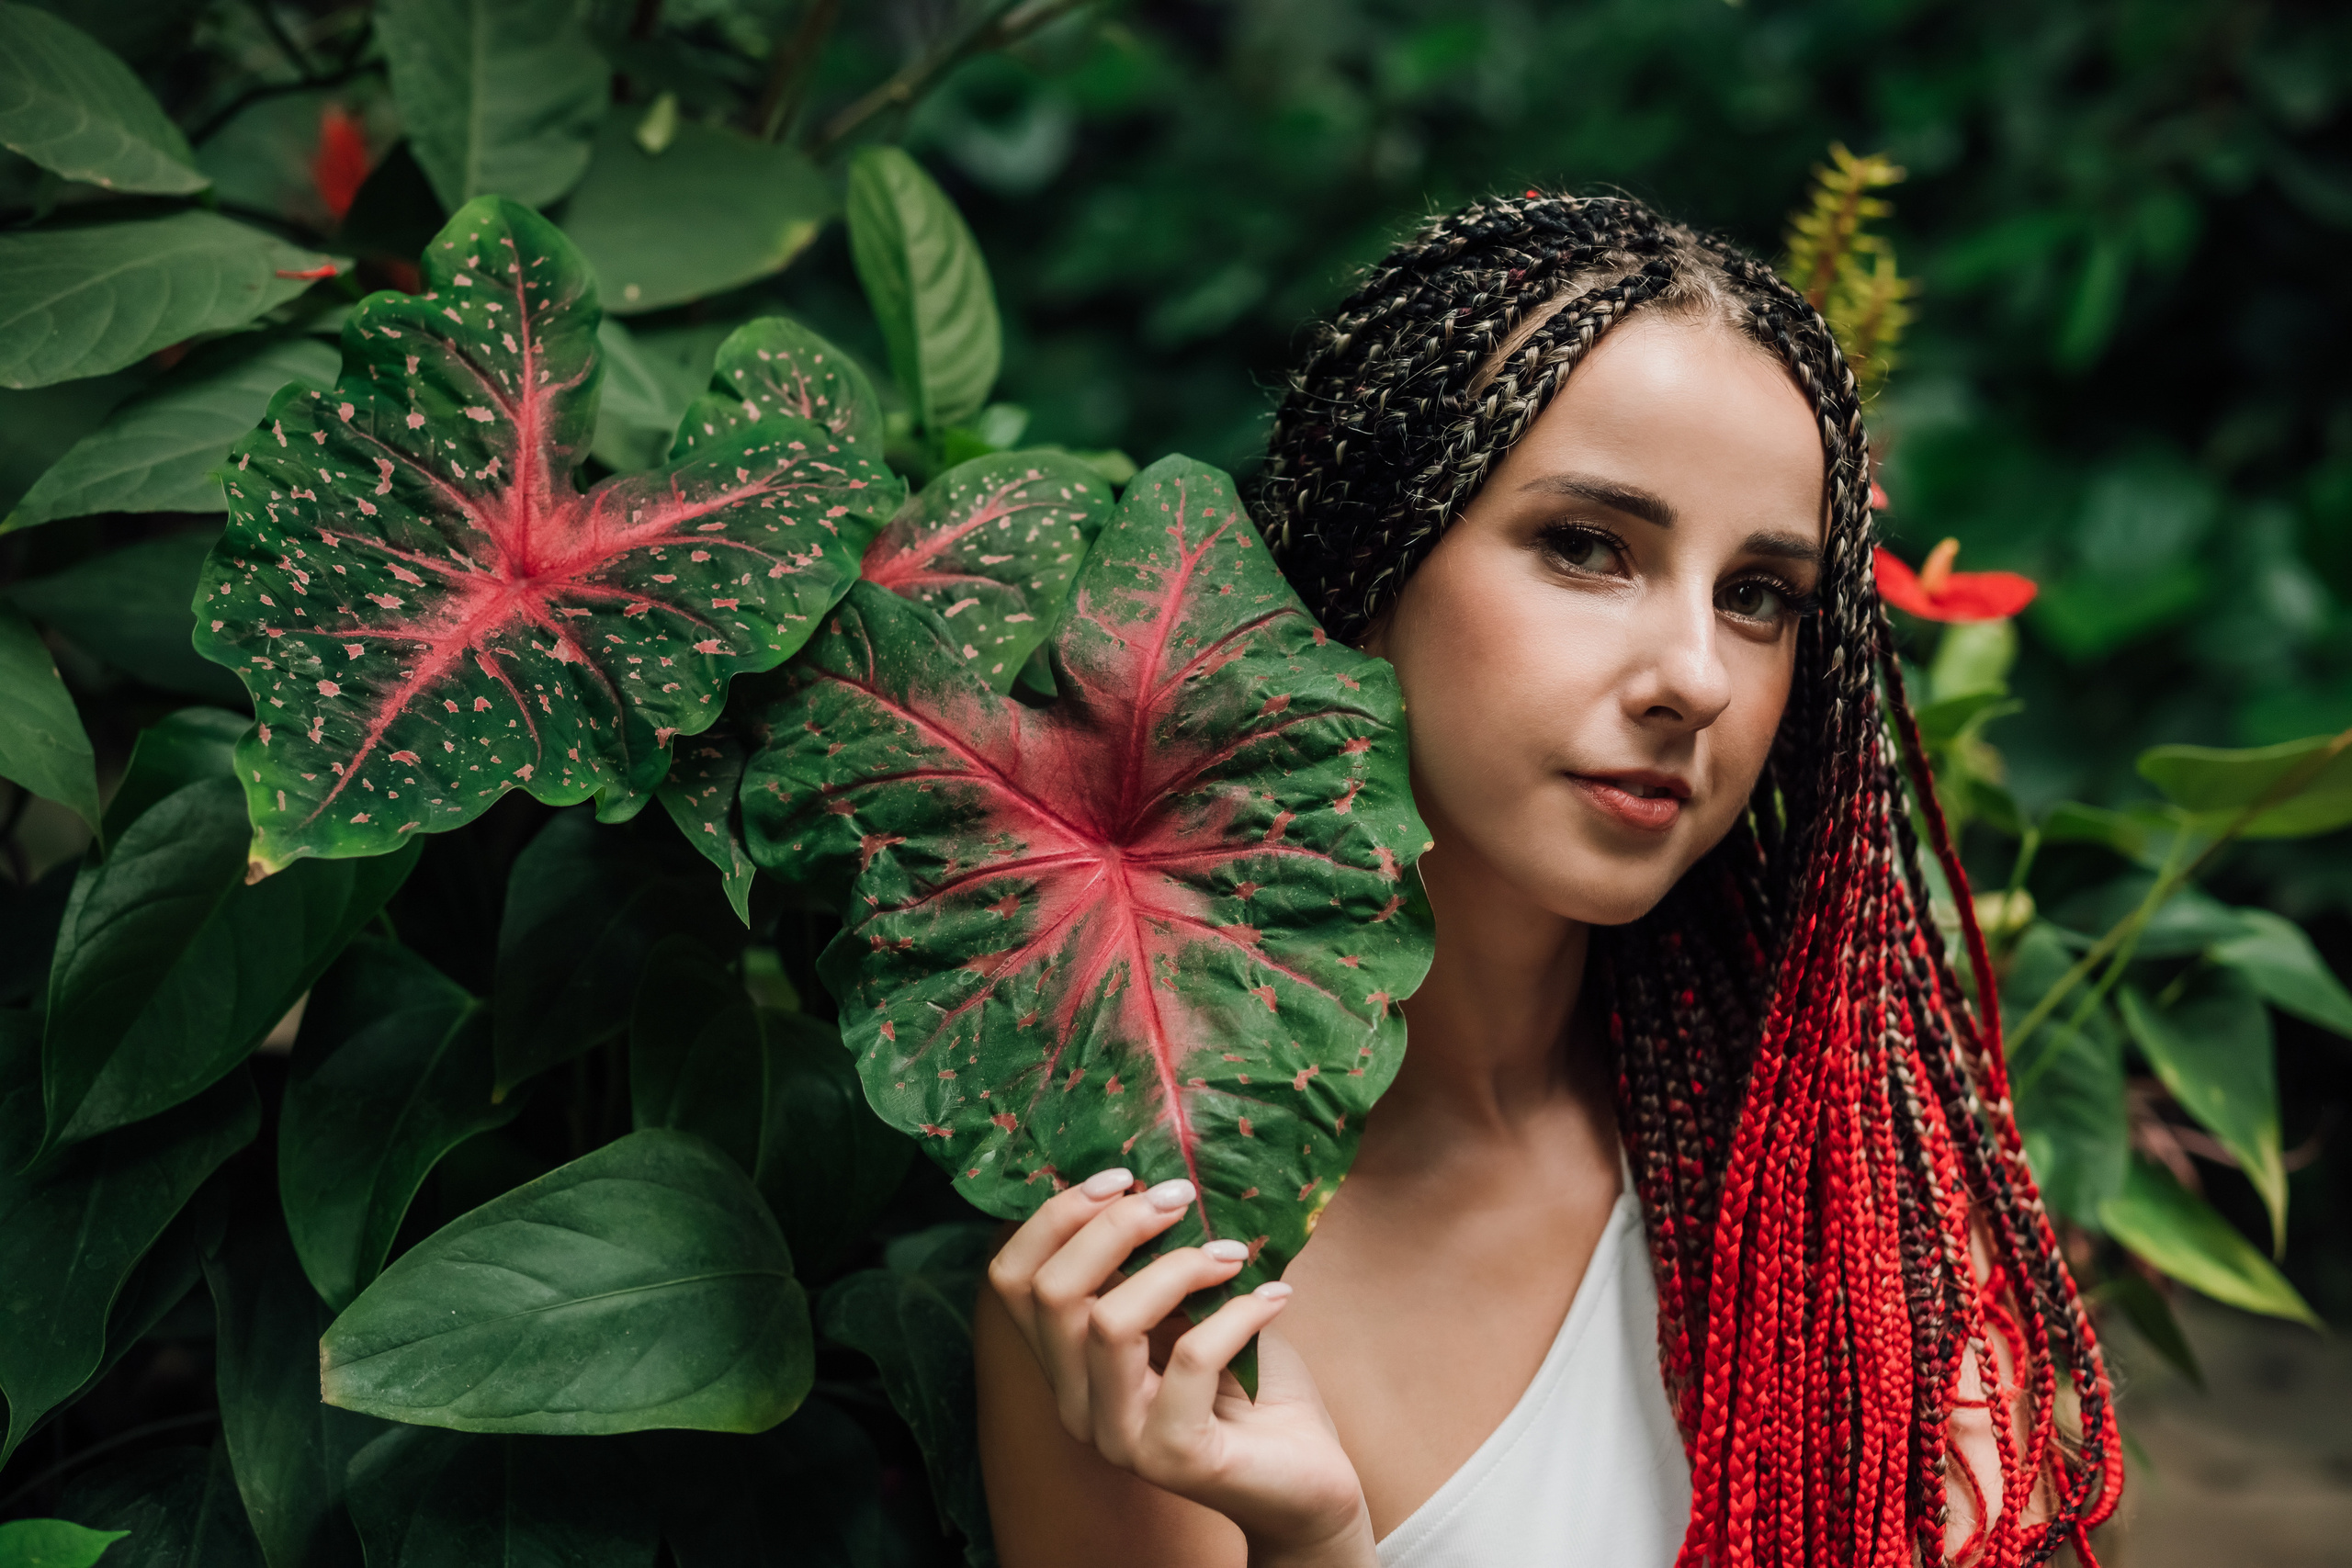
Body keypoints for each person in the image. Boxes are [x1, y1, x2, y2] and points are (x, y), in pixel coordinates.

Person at [974, 192, 2120, 1568]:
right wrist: (1318, 1540)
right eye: (1588, 547)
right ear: (1368, 564)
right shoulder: (1153, 1284)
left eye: (1758, 594)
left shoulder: (1852, 1183)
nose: (1696, 675)